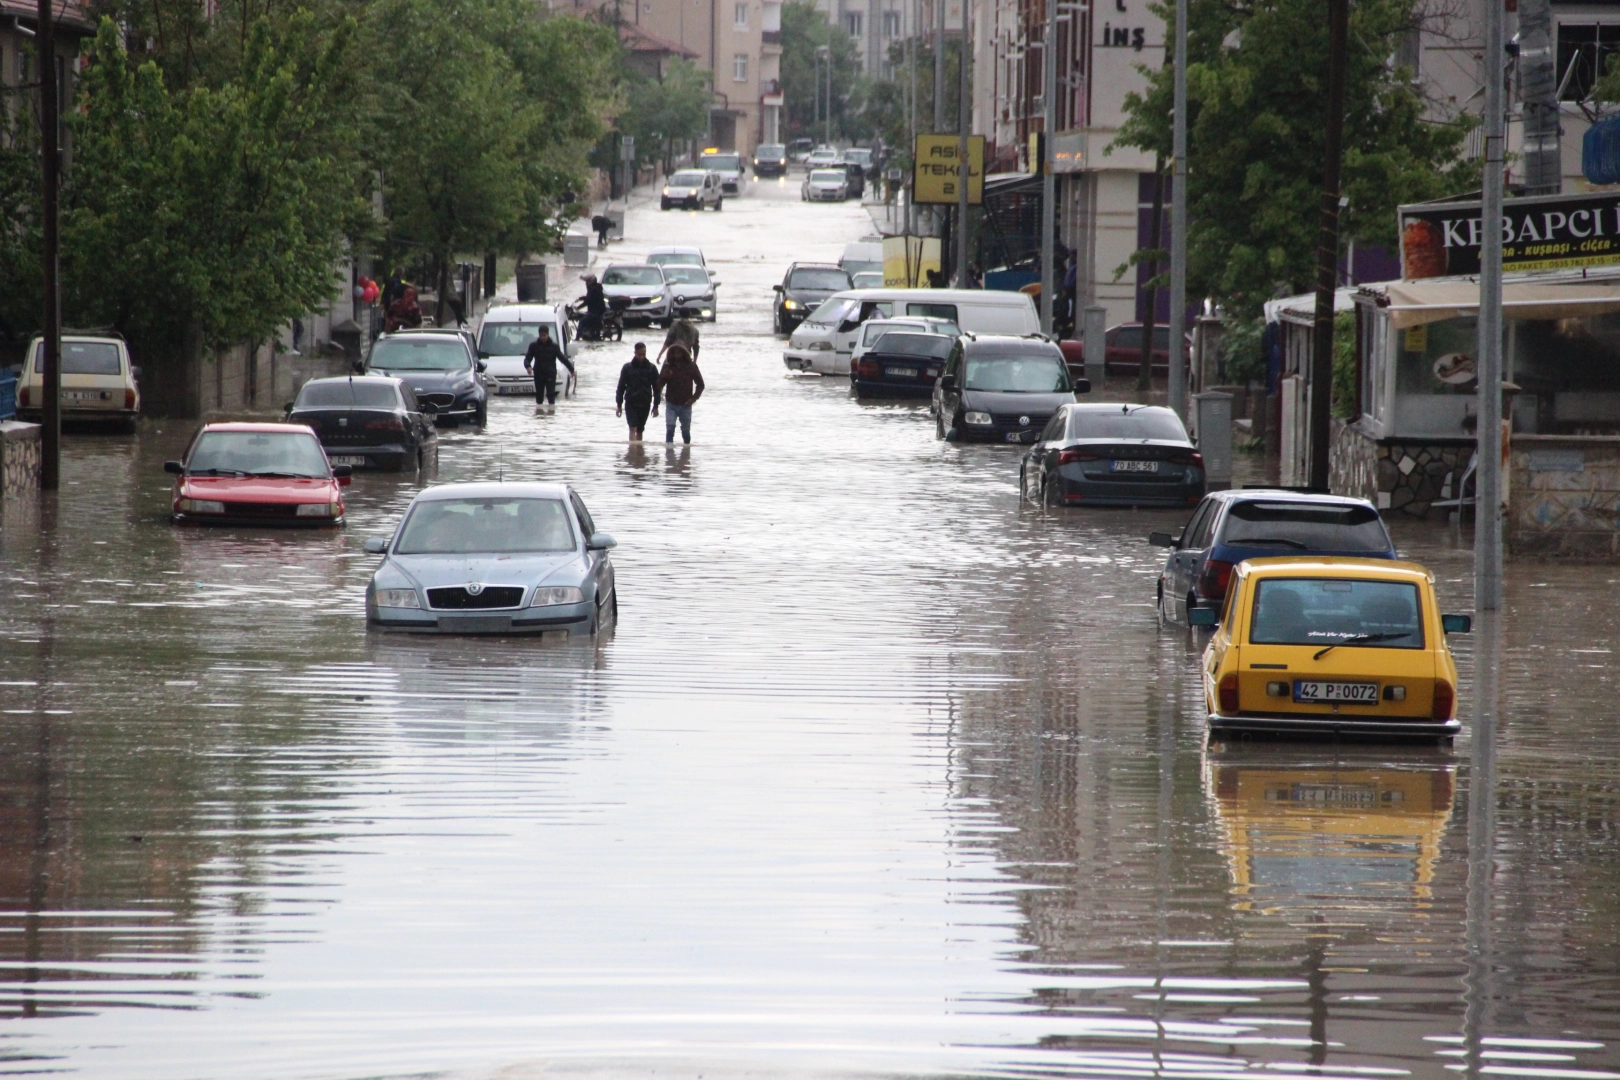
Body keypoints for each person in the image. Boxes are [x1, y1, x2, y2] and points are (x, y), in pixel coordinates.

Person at [655, 343, 704, 444]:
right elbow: (659, 385)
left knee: (685, 431)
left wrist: (694, 398)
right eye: (674, 352)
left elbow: (700, 384)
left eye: (678, 352)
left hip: (686, 404)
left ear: (684, 353)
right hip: (671, 403)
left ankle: (686, 453)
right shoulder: (668, 365)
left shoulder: (691, 366)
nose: (676, 354)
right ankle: (669, 454)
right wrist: (664, 377)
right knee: (670, 428)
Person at [615, 342, 661, 442]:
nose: (641, 357)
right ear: (635, 353)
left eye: (644, 354)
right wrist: (619, 405)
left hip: (645, 402)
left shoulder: (651, 368)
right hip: (631, 402)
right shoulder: (627, 368)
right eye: (639, 354)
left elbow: (657, 389)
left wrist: (656, 406)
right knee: (632, 427)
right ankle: (632, 450)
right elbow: (621, 387)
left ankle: (639, 453)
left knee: (640, 429)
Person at [524, 326, 575, 410]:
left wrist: (572, 370)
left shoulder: (554, 347)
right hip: (538, 374)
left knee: (551, 395)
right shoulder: (534, 346)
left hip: (550, 374)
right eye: (540, 335)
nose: (542, 337)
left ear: (548, 334)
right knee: (539, 396)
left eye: (544, 335)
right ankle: (539, 413)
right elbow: (527, 358)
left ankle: (551, 415)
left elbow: (563, 359)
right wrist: (528, 366)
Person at [580, 274, 607, 339]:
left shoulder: (593, 289)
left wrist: (578, 307)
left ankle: (577, 337)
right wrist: (583, 298)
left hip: (595, 312)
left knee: (581, 322)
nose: (586, 284)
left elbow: (588, 301)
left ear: (590, 282)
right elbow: (591, 298)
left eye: (587, 282)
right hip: (597, 310)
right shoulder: (596, 288)